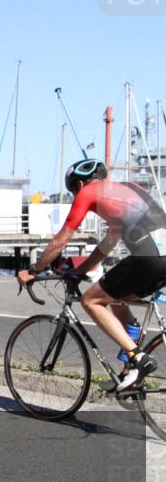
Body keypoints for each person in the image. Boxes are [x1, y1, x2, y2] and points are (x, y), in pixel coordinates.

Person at [17, 158, 161, 391]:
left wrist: (34, 271)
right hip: (160, 257)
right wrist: (80, 270)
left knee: (90, 300)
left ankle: (138, 357)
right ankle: (130, 373)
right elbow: (109, 241)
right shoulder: (130, 190)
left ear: (81, 184)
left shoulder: (88, 193)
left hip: (148, 257)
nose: (75, 195)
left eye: (73, 190)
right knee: (117, 300)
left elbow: (61, 240)